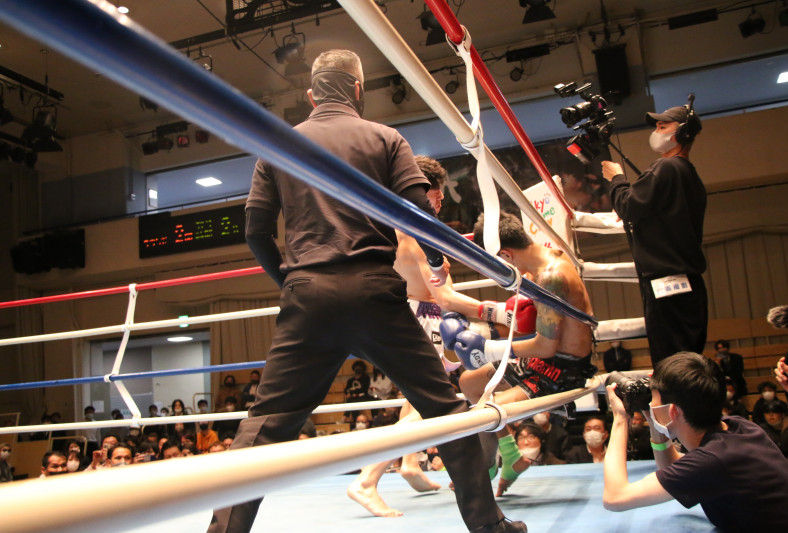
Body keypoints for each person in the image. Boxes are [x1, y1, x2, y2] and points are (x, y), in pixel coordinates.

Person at [207, 49, 524, 533]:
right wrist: (435, 261)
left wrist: (291, 282)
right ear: (358, 90)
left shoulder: (277, 144)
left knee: (264, 424)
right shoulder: (386, 138)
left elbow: (255, 231)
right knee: (446, 412)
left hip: (308, 294)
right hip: (375, 291)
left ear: (311, 95)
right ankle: (489, 528)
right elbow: (419, 214)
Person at [347, 155, 536, 518]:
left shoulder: (391, 223)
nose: (442, 200)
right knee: (432, 401)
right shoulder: (416, 235)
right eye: (437, 193)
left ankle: (409, 463)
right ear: (423, 191)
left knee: (422, 396)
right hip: (420, 317)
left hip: (415, 313)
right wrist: (500, 312)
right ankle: (367, 479)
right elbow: (446, 297)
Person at [450, 211, 595, 495]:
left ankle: (483, 471)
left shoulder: (551, 277)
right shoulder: (538, 265)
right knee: (469, 381)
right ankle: (511, 455)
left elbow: (545, 345)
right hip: (540, 360)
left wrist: (488, 349)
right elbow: (526, 329)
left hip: (561, 370)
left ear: (505, 254)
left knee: (481, 415)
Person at [603, 351, 788, 530]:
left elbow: (615, 497)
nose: (650, 404)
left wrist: (620, 419)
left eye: (652, 400)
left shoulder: (714, 460)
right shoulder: (739, 427)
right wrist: (655, 421)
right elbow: (672, 467)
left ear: (672, 411)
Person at [601, 103, 707, 367]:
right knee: (683, 361)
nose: (657, 132)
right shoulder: (688, 174)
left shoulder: (667, 167)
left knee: (672, 363)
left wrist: (616, 179)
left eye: (663, 126)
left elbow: (628, 206)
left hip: (667, 284)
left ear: (683, 132)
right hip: (684, 285)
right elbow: (652, 212)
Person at [759, 399, 788, 474]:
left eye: (775, 412)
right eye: (767, 412)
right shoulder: (760, 430)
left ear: (782, 414)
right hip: (769, 469)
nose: (771, 415)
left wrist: (783, 463)